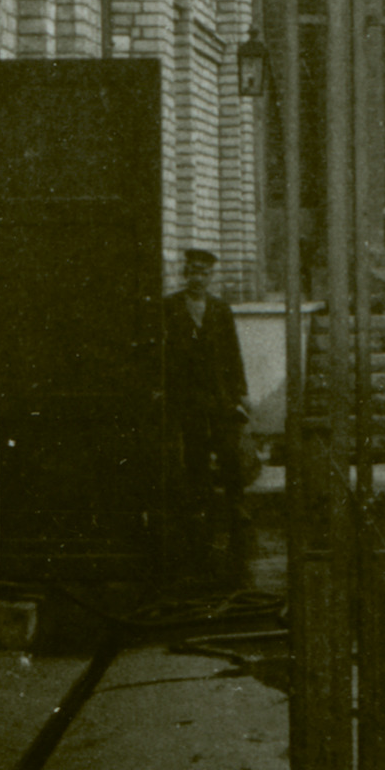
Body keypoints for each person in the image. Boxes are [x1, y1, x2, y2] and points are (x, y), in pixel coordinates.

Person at [158, 242, 251, 594]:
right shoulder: (170, 308)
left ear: (212, 277)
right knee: (195, 456)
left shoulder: (220, 310)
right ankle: (199, 521)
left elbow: (233, 353)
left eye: (204, 273)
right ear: (185, 274)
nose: (198, 278)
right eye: (193, 271)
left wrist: (240, 393)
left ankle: (235, 505)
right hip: (187, 399)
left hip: (219, 396)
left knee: (229, 452)